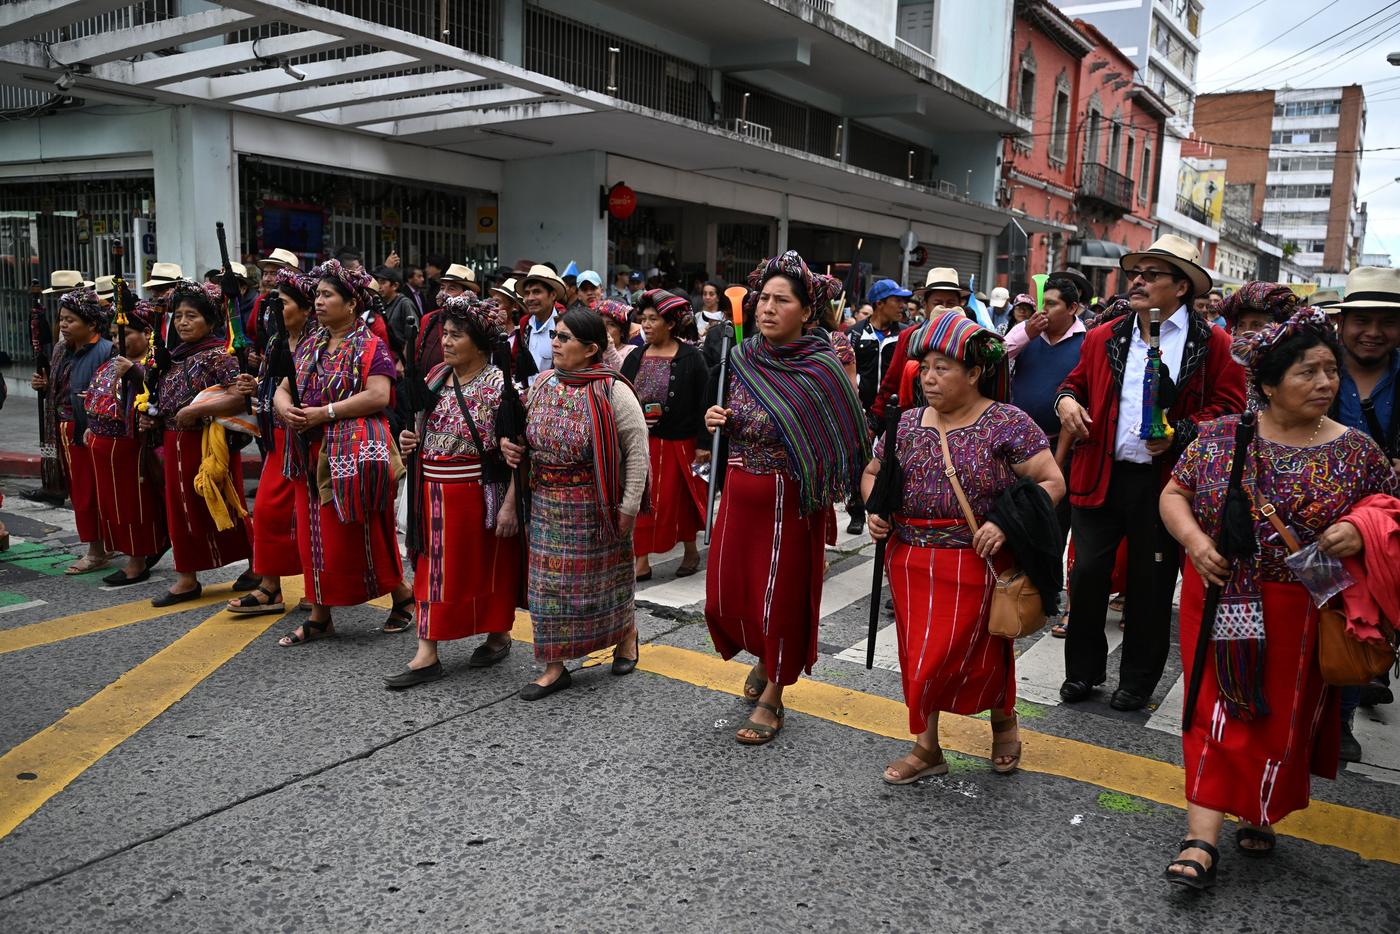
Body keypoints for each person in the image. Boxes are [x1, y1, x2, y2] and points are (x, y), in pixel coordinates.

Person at [1159, 307, 1398, 890]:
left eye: (1329, 371)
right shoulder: (1219, 438)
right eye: (1307, 373)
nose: (1324, 384)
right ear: (1266, 384)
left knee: (1278, 718)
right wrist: (1194, 542)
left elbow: (1390, 511)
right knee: (1214, 710)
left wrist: (1360, 527)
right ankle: (1201, 838)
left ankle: (1259, 803)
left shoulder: (1358, 452)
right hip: (1219, 596)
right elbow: (1173, 494)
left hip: (1304, 605)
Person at [864, 312, 1063, 782]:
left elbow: (1051, 482)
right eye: (925, 367)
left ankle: (1003, 721)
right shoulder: (905, 424)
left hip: (978, 560)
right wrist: (877, 509)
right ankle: (927, 747)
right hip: (910, 558)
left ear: (974, 374)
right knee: (920, 654)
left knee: (983, 652)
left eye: (943, 368)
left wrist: (1006, 525)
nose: (929, 378)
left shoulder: (1007, 423)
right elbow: (875, 472)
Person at [1055, 235, 1246, 711]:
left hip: (1166, 486)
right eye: (1135, 273)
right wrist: (1067, 403)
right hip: (1101, 472)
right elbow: (1074, 384)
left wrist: (1180, 433)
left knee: (1151, 585)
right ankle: (1082, 672)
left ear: (1181, 287)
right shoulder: (1106, 335)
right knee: (1087, 575)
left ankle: (1137, 681)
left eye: (1151, 275)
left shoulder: (1214, 344)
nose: (1137, 281)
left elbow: (1231, 410)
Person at [703, 251, 869, 745]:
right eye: (764, 299)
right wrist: (720, 419)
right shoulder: (743, 355)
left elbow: (848, 435)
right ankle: (761, 656)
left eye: (782, 300)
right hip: (737, 492)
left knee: (778, 601)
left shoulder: (822, 367)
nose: (767, 308)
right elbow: (736, 415)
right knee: (726, 596)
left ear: (806, 311)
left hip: (789, 503)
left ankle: (774, 692)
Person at [499, 307, 649, 699]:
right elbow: (526, 444)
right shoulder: (545, 383)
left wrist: (629, 508)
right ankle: (554, 667)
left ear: (591, 349)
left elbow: (637, 452)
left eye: (565, 338)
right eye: (555, 336)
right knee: (547, 589)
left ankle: (627, 634)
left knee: (607, 585)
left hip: (596, 508)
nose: (555, 343)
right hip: (546, 504)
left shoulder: (613, 389)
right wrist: (510, 459)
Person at [272, 260, 414, 646]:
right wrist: (285, 407)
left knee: (362, 531)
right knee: (313, 535)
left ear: (351, 303)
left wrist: (325, 412)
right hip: (309, 451)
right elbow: (284, 386)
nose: (317, 302)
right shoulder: (310, 343)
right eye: (316, 295)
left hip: (354, 455)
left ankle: (402, 598)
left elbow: (379, 395)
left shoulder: (371, 345)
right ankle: (320, 616)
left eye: (326, 295)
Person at [387, 294, 521, 688]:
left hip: (477, 494)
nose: (445, 342)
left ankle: (498, 634)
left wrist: (511, 505)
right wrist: (409, 440)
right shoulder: (434, 377)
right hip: (431, 491)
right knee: (432, 568)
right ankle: (427, 651)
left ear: (479, 343)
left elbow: (516, 452)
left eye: (456, 335)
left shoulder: (500, 387)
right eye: (444, 333)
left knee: (485, 569)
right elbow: (415, 424)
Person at [1324, 267, 1400, 758]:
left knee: (1360, 619)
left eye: (1386, 321)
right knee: (1315, 615)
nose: (1372, 331)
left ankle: (1342, 718)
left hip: (1381, 522)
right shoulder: (1315, 366)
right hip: (1313, 512)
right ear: (1342, 323)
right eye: (1361, 320)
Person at [141, 281, 254, 606]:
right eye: (178, 316)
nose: (183, 322)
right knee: (182, 511)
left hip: (207, 443)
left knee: (224, 503)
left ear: (209, 320)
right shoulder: (173, 355)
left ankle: (255, 565)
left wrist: (196, 410)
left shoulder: (220, 354)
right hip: (175, 441)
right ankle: (187, 578)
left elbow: (238, 397)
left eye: (192, 316)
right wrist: (152, 416)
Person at [227, 268, 316, 616]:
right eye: (272, 303)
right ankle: (270, 587)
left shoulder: (316, 345)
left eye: (283, 303)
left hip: (308, 440)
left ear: (306, 309)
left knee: (306, 518)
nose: (272, 310)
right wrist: (254, 386)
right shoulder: (278, 343)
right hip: (276, 441)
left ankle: (314, 586)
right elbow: (271, 386)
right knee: (265, 511)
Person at [622, 290, 709, 581]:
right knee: (641, 498)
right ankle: (642, 560)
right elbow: (620, 396)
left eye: (653, 319)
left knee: (681, 500)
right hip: (642, 443)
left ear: (670, 324)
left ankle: (690, 550)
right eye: (643, 319)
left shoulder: (692, 358)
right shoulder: (635, 356)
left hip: (680, 443)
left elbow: (704, 403)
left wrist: (704, 444)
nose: (645, 325)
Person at [84, 299, 169, 586]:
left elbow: (158, 397)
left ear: (147, 334)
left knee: (133, 505)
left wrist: (134, 373)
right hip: (103, 445)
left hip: (132, 448)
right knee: (113, 505)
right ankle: (130, 554)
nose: (117, 340)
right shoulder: (111, 364)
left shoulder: (153, 364)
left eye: (125, 333)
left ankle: (137, 562)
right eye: (113, 334)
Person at [33, 287, 115, 574]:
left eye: (70, 320)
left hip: (92, 430)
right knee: (81, 492)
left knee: (95, 492)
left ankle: (98, 551)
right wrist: (46, 386)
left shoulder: (106, 351)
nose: (63, 325)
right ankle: (99, 546)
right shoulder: (61, 350)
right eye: (61, 319)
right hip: (66, 429)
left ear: (91, 324)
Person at [871, 267, 970, 421]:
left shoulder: (970, 338)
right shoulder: (908, 337)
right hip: (913, 421)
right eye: (937, 303)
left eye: (951, 303)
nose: (944, 308)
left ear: (959, 305)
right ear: (925, 305)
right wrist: (875, 420)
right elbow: (891, 382)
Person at [513, 264, 566, 386]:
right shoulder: (524, 323)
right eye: (527, 293)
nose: (530, 298)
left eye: (537, 292)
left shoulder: (565, 325)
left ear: (552, 295)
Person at [597, 299, 637, 367]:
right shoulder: (593, 350)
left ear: (622, 332)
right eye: (600, 323)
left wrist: (610, 349)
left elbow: (625, 373)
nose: (604, 328)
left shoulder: (631, 350)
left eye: (611, 324)